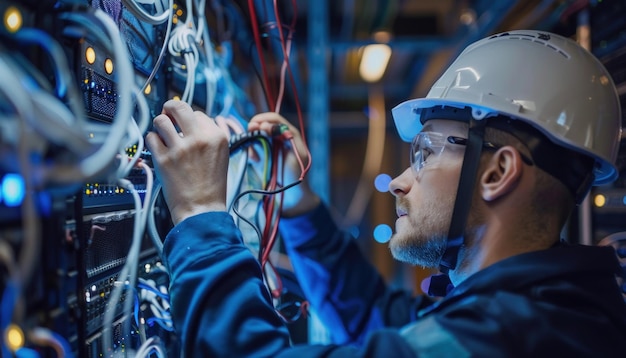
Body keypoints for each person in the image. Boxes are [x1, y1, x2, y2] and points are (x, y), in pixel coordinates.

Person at [145, 30, 626, 357]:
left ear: (498, 172)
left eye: (427, 152)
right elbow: (375, 319)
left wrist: (201, 215)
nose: (399, 181)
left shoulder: (516, 337)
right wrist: (298, 204)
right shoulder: (534, 307)